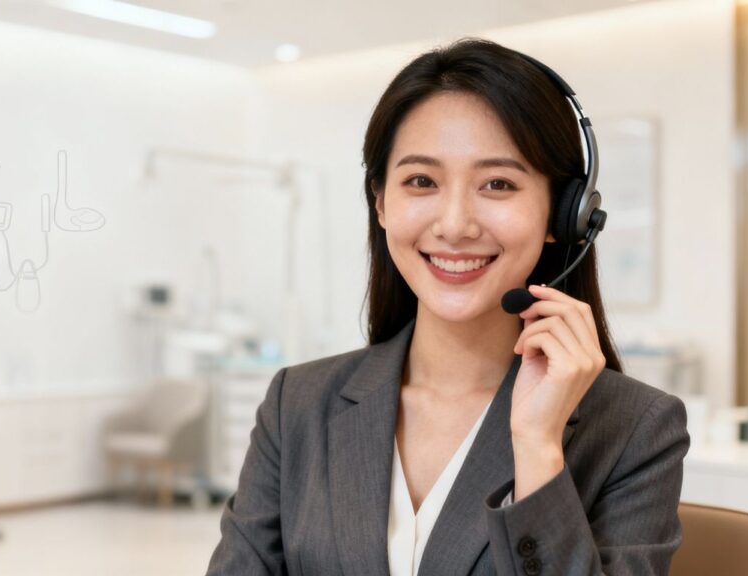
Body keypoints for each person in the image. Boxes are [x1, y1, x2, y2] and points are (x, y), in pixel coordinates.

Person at [206, 37, 689, 576]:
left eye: (498, 183)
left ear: (563, 215)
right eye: (421, 181)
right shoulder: (297, 406)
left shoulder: (636, 430)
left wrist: (537, 448)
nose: (455, 224)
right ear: (381, 203)